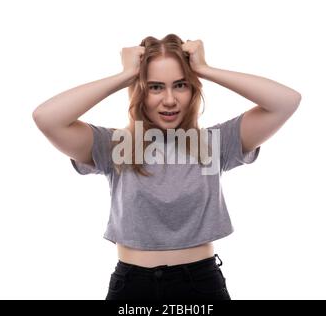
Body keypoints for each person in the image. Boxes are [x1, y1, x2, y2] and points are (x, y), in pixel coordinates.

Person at [32, 34, 301, 301]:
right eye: (155, 87)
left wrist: (205, 69)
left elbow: (285, 101)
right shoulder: (115, 146)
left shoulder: (215, 143)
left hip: (201, 287)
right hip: (132, 289)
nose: (170, 100)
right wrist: (124, 76)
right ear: (139, 89)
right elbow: (47, 118)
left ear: (193, 89)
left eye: (181, 84)